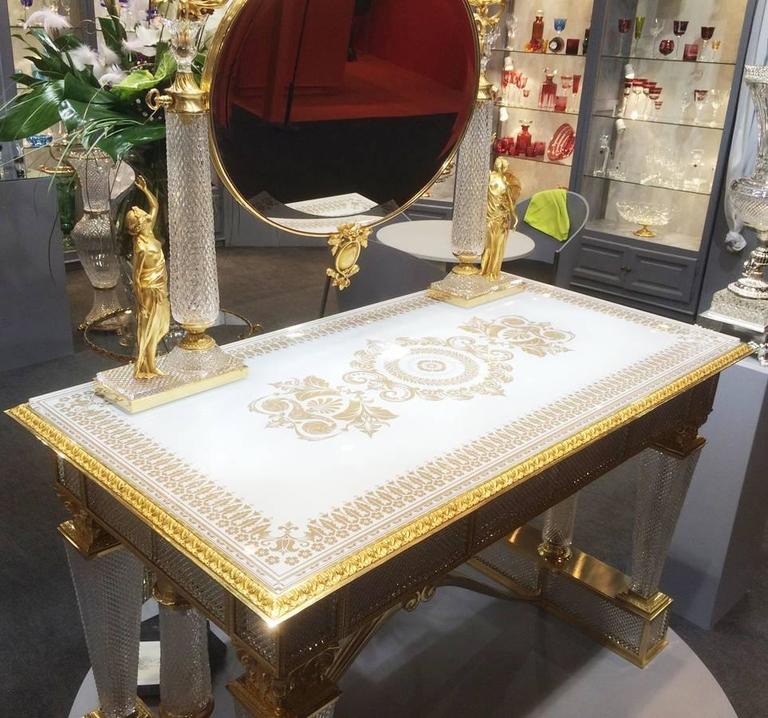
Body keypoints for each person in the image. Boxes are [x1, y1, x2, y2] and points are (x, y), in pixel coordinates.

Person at [126, 176, 170, 379]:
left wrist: (145, 190)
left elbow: (155, 205)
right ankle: (149, 366)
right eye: (144, 219)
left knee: (160, 325)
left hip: (160, 287)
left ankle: (150, 365)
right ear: (138, 226)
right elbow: (135, 276)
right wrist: (140, 302)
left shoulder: (149, 233)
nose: (148, 219)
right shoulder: (141, 247)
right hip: (149, 290)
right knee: (150, 329)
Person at [481, 157, 522, 281]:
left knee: (492, 247)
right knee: (493, 246)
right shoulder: (497, 179)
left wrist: (514, 218)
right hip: (495, 218)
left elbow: (509, 202)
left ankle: (488, 272)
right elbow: (510, 203)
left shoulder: (497, 179)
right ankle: (488, 273)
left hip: (495, 219)